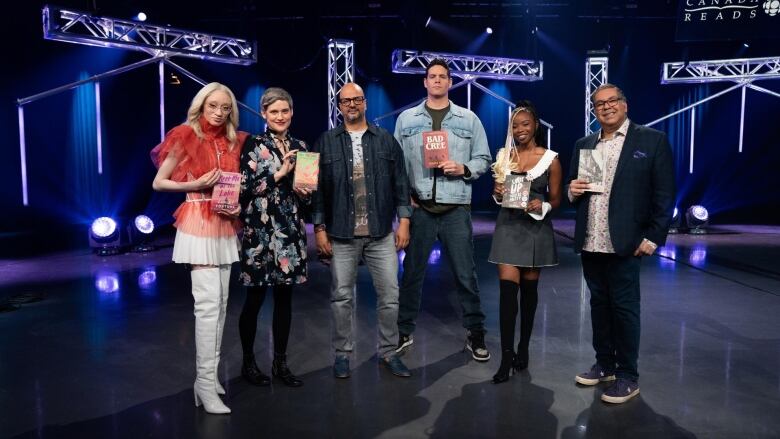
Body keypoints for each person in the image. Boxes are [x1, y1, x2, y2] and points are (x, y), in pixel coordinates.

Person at [569, 83, 675, 404]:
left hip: (626, 243)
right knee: (599, 306)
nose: (606, 107)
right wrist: (573, 192)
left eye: (612, 101)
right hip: (591, 240)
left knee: (625, 309)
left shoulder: (651, 140)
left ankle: (628, 376)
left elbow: (664, 194)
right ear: (594, 110)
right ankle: (605, 365)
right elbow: (577, 197)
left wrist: (655, 236)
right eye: (598, 104)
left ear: (624, 105)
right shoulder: (585, 144)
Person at [151, 82, 248, 414]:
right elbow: (159, 182)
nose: (219, 113)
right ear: (201, 106)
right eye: (213, 106)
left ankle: (208, 380)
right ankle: (205, 384)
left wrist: (235, 206)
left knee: (220, 305)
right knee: (207, 306)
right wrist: (196, 184)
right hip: (197, 219)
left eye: (225, 107)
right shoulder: (185, 135)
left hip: (223, 221)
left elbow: (232, 186)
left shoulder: (233, 140)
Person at [394, 58, 493, 361]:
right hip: (420, 207)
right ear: (424, 82)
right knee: (412, 273)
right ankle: (403, 331)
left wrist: (463, 167)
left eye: (442, 77)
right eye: (432, 76)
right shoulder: (407, 119)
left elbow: (484, 158)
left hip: (455, 208)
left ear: (450, 83)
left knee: (466, 274)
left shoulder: (469, 119)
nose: (437, 81)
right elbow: (396, 167)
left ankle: (475, 333)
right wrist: (404, 205)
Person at [312, 82, 413, 379]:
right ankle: (342, 354)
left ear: (365, 103)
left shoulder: (384, 140)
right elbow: (317, 191)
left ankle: (389, 351)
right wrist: (319, 229)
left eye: (357, 100)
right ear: (339, 106)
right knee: (342, 297)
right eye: (346, 101)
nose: (352, 105)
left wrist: (404, 221)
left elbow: (401, 184)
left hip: (381, 233)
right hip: (342, 235)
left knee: (391, 296)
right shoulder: (326, 141)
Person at [238, 87, 310, 388]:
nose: (280, 116)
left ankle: (280, 362)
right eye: (274, 111)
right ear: (264, 115)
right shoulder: (253, 144)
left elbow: (306, 197)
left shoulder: (300, 145)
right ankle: (248, 363)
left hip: (289, 233)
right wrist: (279, 174)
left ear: (291, 113)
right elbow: (244, 189)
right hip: (259, 232)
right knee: (254, 300)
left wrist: (305, 191)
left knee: (284, 300)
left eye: (285, 111)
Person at [488, 101, 562, 383]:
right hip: (508, 228)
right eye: (515, 125)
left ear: (535, 126)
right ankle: (506, 357)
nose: (519, 129)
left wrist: (540, 204)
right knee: (508, 295)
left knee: (529, 295)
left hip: (535, 231)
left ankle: (524, 348)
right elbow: (498, 196)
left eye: (525, 124)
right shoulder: (504, 157)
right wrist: (496, 192)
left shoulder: (551, 159)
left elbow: (556, 199)